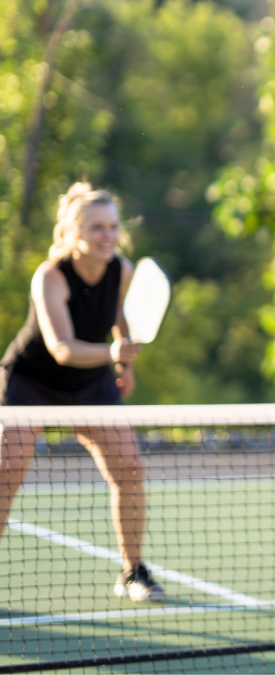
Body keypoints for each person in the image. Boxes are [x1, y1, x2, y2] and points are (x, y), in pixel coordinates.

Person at [0, 182, 162, 602]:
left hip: (91, 384)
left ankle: (133, 572)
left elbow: (122, 321)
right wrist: (113, 353)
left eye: (112, 227)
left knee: (129, 468)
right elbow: (62, 348)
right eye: (96, 228)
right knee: (6, 473)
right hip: (30, 382)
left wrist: (124, 364)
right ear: (74, 234)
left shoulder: (122, 270)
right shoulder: (50, 276)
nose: (107, 235)